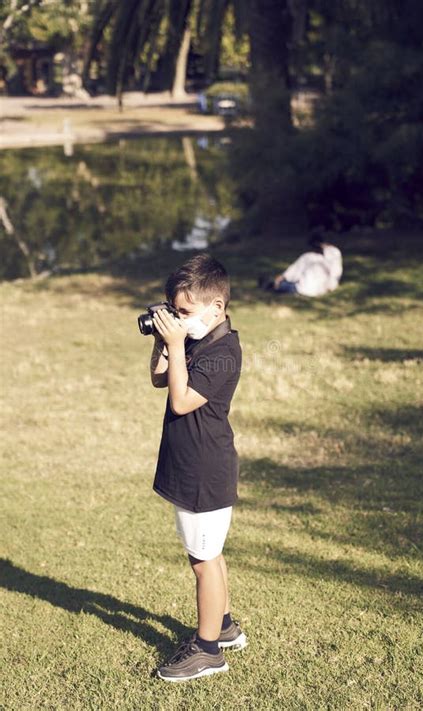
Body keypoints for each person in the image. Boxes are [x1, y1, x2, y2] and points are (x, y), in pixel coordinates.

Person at [149, 253, 246, 682]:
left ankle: (208, 651)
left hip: (206, 470)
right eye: (175, 312)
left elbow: (182, 399)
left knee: (204, 562)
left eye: (184, 313)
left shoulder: (225, 351)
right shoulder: (195, 339)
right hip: (190, 464)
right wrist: (162, 339)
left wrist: (175, 343)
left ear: (217, 308)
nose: (180, 320)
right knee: (207, 553)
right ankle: (223, 626)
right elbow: (159, 379)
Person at [258, 231, 343, 297]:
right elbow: (336, 271)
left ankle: (270, 285)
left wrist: (281, 278)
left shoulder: (307, 257)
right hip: (323, 289)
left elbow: (293, 272)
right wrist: (332, 285)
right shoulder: (335, 252)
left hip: (305, 289)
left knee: (283, 284)